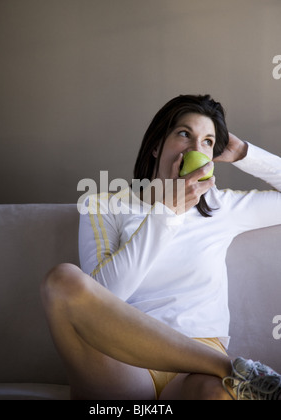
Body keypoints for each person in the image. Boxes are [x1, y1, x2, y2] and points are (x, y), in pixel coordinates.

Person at [41, 94, 281, 400]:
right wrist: (166, 214)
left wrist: (245, 154)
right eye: (184, 134)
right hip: (122, 354)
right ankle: (235, 370)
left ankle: (232, 375)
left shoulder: (224, 207)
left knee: (216, 395)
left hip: (197, 360)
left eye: (208, 141)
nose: (196, 149)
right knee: (62, 280)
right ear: (156, 146)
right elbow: (104, 295)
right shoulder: (104, 205)